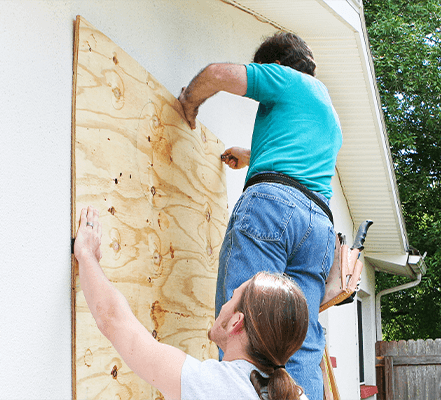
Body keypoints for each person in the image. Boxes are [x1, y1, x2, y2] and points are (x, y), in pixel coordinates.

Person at [178, 32, 342, 399]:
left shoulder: (285, 78)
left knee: (245, 327)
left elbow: (217, 73)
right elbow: (297, 160)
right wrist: (250, 156)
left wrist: (189, 103)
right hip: (318, 228)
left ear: (274, 64)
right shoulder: (327, 112)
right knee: (296, 337)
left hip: (273, 211)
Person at [74, 206, 310, 400]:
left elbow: (113, 320)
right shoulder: (297, 396)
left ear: (236, 322)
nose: (224, 306)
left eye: (231, 299)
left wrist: (85, 253)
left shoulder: (215, 387)